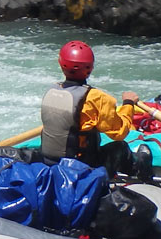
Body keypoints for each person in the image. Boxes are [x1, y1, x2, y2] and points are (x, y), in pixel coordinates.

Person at [39, 40, 143, 170]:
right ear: (90, 68)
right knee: (121, 147)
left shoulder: (51, 91)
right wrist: (128, 104)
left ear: (61, 64)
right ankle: (142, 179)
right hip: (81, 166)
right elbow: (119, 132)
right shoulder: (97, 98)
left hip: (49, 162)